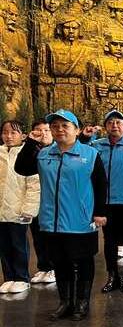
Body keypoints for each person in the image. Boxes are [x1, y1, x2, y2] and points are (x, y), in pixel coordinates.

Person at [15, 110, 107, 321]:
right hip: (52, 220)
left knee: (84, 261)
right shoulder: (44, 154)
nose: (59, 129)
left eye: (65, 126)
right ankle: (65, 302)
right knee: (60, 262)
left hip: (81, 219)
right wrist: (30, 142)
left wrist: (100, 212)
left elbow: (101, 185)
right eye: (55, 126)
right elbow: (22, 168)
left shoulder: (90, 154)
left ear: (77, 130)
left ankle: (82, 302)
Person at [83, 110, 123, 294]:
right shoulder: (96, 146)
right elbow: (79, 151)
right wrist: (84, 137)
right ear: (105, 126)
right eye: (110, 122)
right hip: (104, 202)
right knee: (109, 240)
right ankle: (112, 276)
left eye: (119, 122)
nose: (115, 125)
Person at [0, 120, 40, 295]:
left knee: (19, 245)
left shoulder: (27, 154)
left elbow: (34, 186)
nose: (8, 136)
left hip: (18, 210)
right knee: (4, 246)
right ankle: (9, 277)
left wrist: (29, 210)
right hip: (1, 210)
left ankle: (22, 278)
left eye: (13, 133)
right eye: (5, 132)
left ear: (23, 135)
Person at [28, 120, 56, 285]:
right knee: (37, 235)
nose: (43, 133)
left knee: (52, 236)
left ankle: (54, 267)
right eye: (38, 130)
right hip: (34, 200)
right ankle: (43, 266)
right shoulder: (30, 151)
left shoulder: (58, 150)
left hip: (52, 200)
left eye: (46, 130)